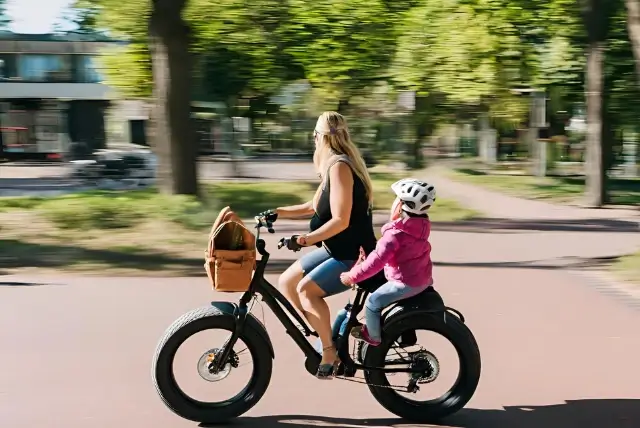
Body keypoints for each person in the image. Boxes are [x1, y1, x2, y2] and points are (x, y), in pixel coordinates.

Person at [269, 111, 376, 379]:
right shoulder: (332, 166)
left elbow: (341, 220)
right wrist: (277, 212)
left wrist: (304, 240)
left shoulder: (340, 167)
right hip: (335, 249)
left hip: (353, 255)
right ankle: (325, 336)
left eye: (314, 136)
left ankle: (330, 352)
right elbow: (311, 207)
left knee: (307, 292)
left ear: (319, 138)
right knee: (287, 281)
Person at [340, 178, 436, 346]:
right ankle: (403, 334)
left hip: (404, 282)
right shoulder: (421, 226)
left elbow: (376, 262)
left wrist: (352, 276)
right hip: (422, 280)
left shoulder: (394, 235)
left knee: (372, 302)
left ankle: (373, 337)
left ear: (399, 206)